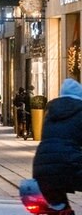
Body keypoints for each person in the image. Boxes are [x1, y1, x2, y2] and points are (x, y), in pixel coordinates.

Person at [33, 78, 82, 214]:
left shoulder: (51, 112)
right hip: (70, 164)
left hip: (41, 167)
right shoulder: (80, 110)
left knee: (60, 206)